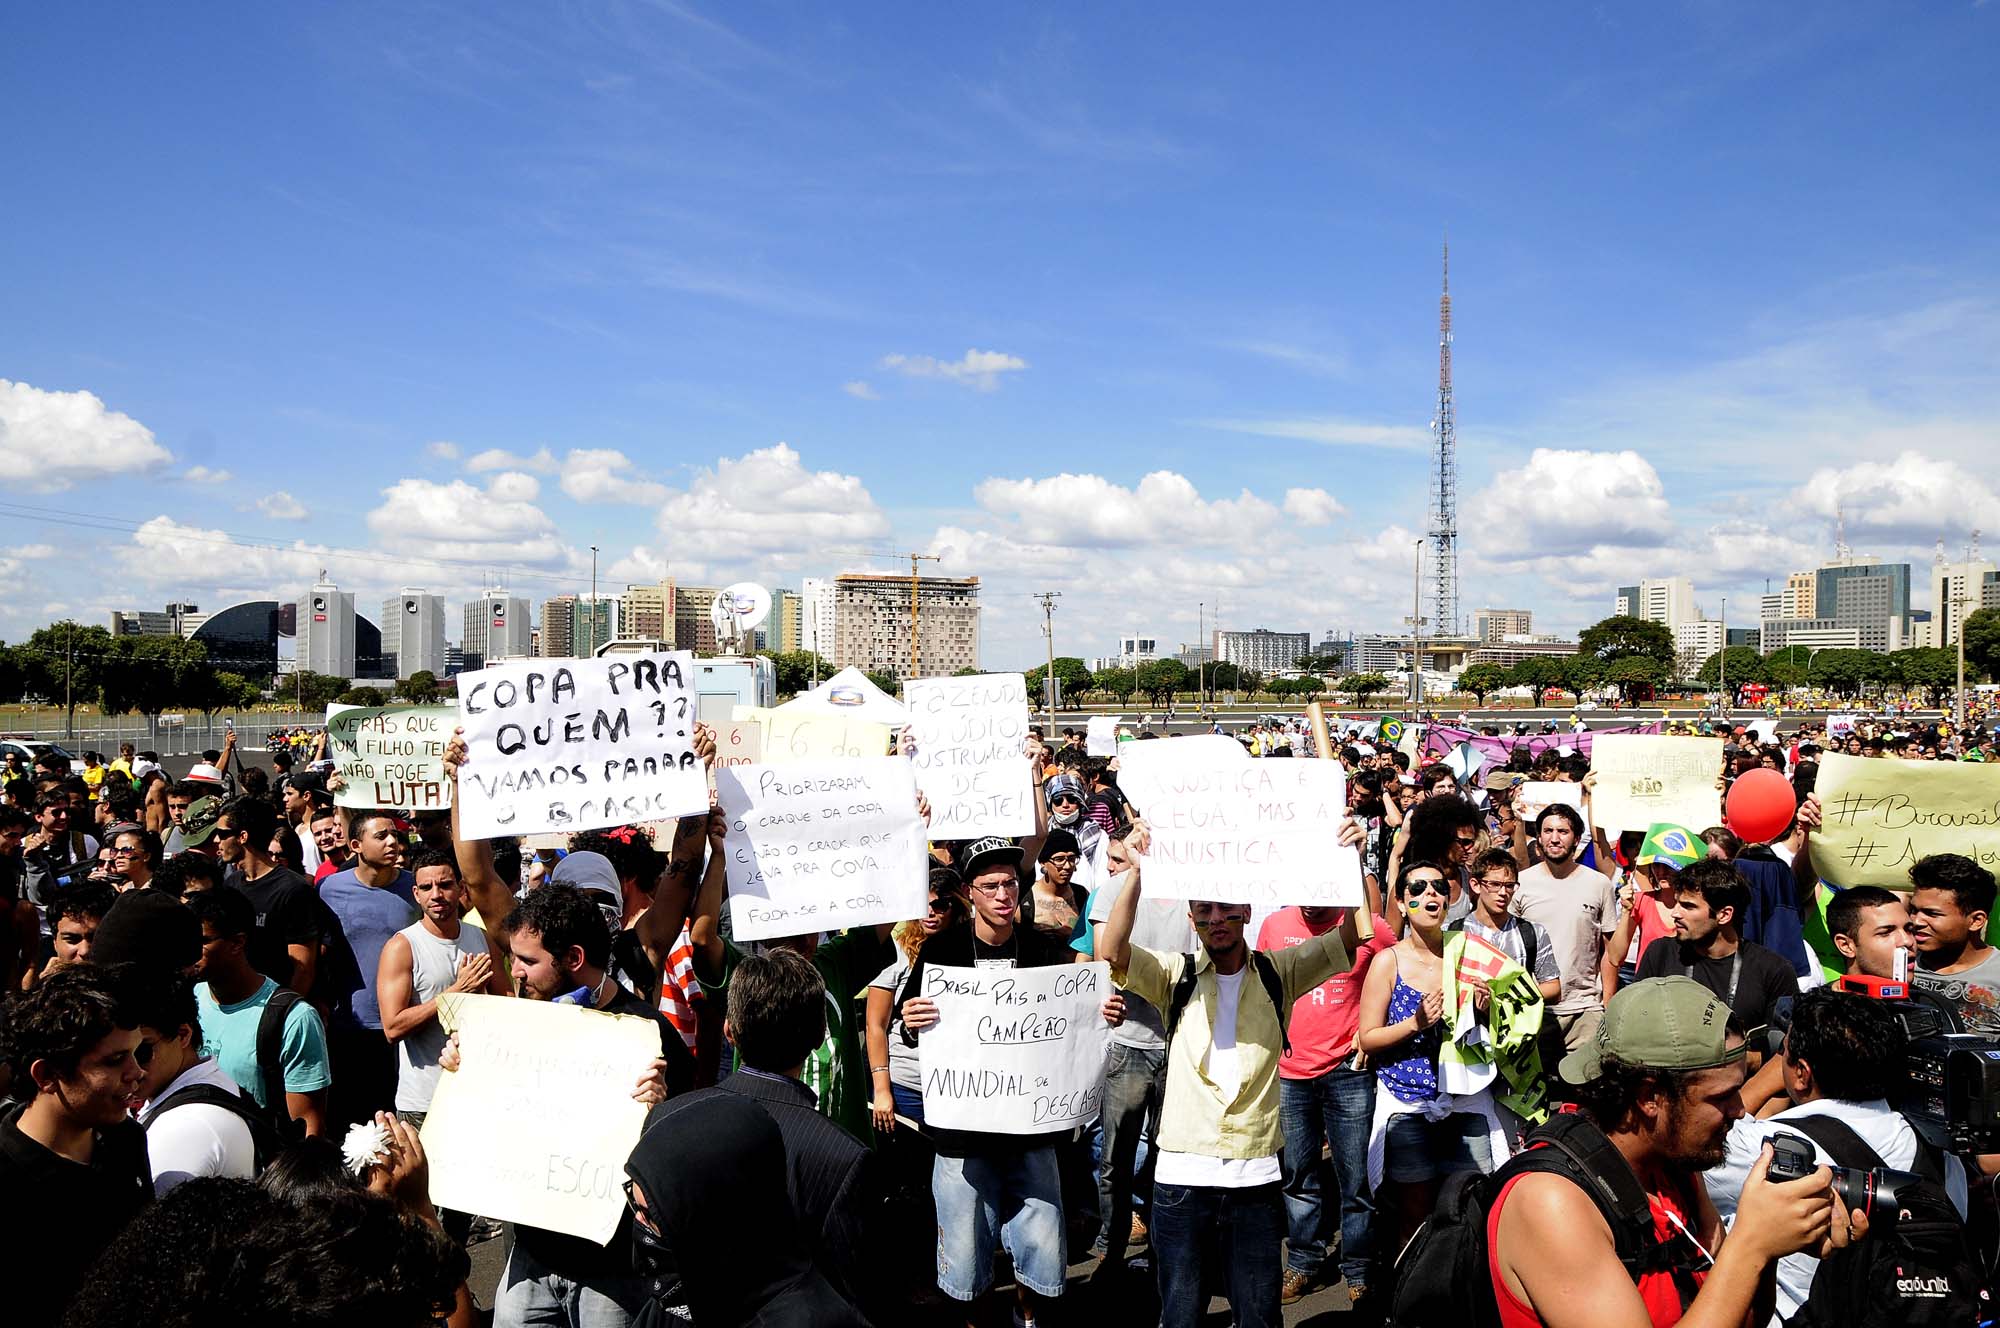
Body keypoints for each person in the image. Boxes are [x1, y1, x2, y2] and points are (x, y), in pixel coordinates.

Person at [1097, 831, 1364, 1328]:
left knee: (1259, 1316)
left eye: (1225, 907)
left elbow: (1351, 939)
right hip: (1180, 1181)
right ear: (1190, 916)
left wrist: (1356, 860)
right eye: (1203, 909)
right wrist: (1137, 871)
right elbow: (1112, 949)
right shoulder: (1172, 974)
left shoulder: (1277, 972)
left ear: (1245, 908)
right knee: (1180, 1315)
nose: (1216, 918)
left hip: (1254, 1180)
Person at [1488, 977, 1861, 1328]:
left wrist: (1777, 1241)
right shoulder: (1551, 1202)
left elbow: (1744, 1316)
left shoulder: (1675, 1164)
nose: (1740, 1110)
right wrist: (1752, 1244)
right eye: (1720, 1097)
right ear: (1651, 1097)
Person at [899, 834, 1114, 1326]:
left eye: (1010, 884)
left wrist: (1103, 1012)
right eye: (991, 885)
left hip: (1030, 1131)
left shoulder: (1040, 949)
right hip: (961, 1136)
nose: (1003, 894)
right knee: (965, 1247)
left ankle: (1029, 1318)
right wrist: (910, 1018)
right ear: (970, 893)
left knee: (1040, 1241)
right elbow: (909, 1031)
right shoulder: (941, 952)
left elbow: (1071, 1021)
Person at [466, 882, 691, 1328]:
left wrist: (661, 1108)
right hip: (531, 1255)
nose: (516, 973)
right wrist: (463, 1067)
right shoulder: (521, 1021)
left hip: (610, 1266)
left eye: (528, 961)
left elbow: (687, 1140)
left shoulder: (644, 1032)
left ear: (573, 958)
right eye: (513, 957)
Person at [1702, 988, 1968, 1324]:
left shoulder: (1768, 1148)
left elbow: (1702, 1139)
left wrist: (1769, 1079)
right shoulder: (1940, 1151)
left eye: (1783, 1050)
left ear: (1802, 1073)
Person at [715, 948, 883, 1320]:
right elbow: (849, 1285)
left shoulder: (674, 1121)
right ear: (819, 1034)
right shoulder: (844, 1157)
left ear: (729, 1030)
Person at [1359, 861, 1510, 1258]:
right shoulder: (1387, 961)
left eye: (1439, 887)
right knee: (1415, 1218)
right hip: (1408, 1107)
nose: (1430, 894)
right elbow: (1368, 1037)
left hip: (1467, 1103)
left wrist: (1484, 1009)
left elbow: (1497, 1031)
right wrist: (1416, 1023)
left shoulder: (1468, 955)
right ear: (1402, 902)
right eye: (1418, 887)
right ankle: (1414, 1301)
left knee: (1473, 1210)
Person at [625, 1092, 869, 1328]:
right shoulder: (688, 1293)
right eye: (635, 1205)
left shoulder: (814, 1320)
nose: (637, 1220)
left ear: (710, 1221)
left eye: (651, 1215)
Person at [1258, 889, 1394, 1305]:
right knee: (1299, 1176)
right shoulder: (1274, 927)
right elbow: (1261, 989)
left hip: (1347, 1071)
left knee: (1356, 1180)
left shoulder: (1368, 927)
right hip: (1289, 1071)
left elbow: (1398, 971)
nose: (1310, 901)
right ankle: (1303, 1263)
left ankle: (1359, 1269)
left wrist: (1374, 1028)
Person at [0, 966, 155, 1326]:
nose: (137, 1073)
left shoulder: (126, 1141)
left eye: (138, 1053)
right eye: (114, 1060)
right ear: (47, 1076)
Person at [187, 887, 331, 1138]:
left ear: (237, 943)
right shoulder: (186, 1002)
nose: (188, 951)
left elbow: (309, 1127)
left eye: (202, 941)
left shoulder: (294, 1018)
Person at [377, 846, 505, 1127]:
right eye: (427, 887)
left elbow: (507, 1006)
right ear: (416, 894)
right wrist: (457, 992)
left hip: (477, 1092)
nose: (436, 894)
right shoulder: (402, 947)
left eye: (445, 885)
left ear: (460, 888)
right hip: (423, 1101)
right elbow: (393, 1027)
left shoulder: (481, 939)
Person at [318, 809, 419, 1127]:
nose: (392, 842)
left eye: (395, 835)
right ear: (355, 845)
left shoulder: (417, 889)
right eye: (381, 836)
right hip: (349, 1028)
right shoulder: (329, 889)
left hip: (404, 1028)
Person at [131, 970, 260, 1195]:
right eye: (115, 1056)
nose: (128, 1068)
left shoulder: (184, 1128)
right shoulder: (210, 1087)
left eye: (141, 1051)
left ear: (183, 1035)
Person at [1634, 859, 1799, 1033]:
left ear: (1724, 915)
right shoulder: (1660, 953)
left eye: (1688, 906)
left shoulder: (1773, 971)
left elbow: (1782, 1050)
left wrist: (1733, 1056)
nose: (1675, 913)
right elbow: (1635, 1022)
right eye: (1676, 903)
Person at [1511, 803, 1624, 1051]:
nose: (1554, 838)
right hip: (1532, 1009)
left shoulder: (1599, 884)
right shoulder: (1520, 884)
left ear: (1576, 839)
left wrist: (1607, 1001)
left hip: (1585, 1010)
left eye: (1563, 831)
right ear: (1538, 837)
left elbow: (1609, 950)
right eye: (1548, 831)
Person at [214, 796, 321, 996]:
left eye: (222, 834)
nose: (216, 840)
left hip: (275, 1006)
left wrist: (282, 1015)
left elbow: (303, 968)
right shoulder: (231, 885)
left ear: (242, 836)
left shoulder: (292, 889)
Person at [1908, 852, 2000, 1035]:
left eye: (1932, 914)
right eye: (1913, 910)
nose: (1916, 921)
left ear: (1976, 921)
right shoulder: (1898, 964)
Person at [20, 880, 114, 991]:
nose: (84, 951)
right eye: (72, 940)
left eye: (95, 939)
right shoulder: (42, 993)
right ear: (55, 942)